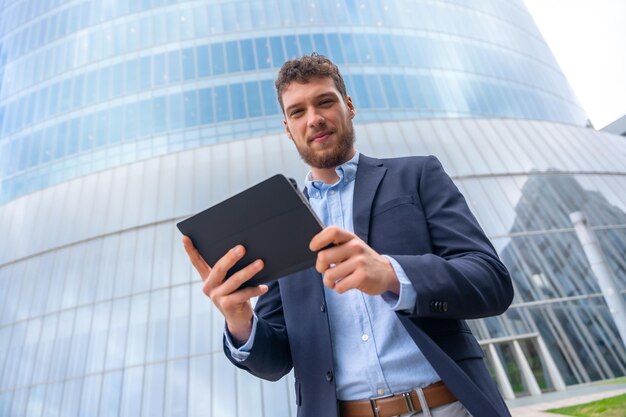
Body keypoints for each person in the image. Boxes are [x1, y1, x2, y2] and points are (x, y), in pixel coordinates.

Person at [183, 53, 514, 417]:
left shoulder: (417, 176)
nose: (314, 119)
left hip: (451, 407)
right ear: (287, 128)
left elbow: (491, 280)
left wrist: (392, 274)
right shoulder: (279, 226)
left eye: (325, 101)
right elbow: (275, 362)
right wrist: (240, 321)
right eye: (298, 112)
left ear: (349, 106)